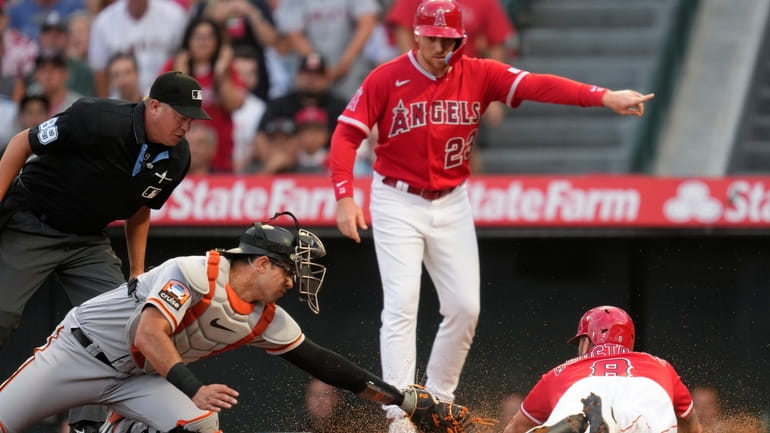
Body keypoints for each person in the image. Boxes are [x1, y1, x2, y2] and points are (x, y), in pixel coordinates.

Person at [328, 1, 655, 432]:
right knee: (402, 305)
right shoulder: (386, 77)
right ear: (416, 35)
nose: (441, 46)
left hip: (451, 200)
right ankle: (400, 410)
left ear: (460, 40)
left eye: (449, 39)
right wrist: (344, 195)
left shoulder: (479, 72)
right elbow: (346, 134)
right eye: (433, 37)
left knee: (465, 308)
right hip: (396, 199)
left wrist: (604, 96)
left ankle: (438, 401)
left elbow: (539, 85)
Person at [0, 213, 471, 433]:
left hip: (139, 378)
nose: (294, 282)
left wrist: (402, 398)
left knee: (204, 426)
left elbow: (325, 365)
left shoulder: (267, 317)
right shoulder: (192, 271)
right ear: (261, 263)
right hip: (81, 353)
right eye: (290, 270)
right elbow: (149, 333)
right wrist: (193, 387)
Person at [0, 71, 210, 432]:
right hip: (34, 220)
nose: (186, 127)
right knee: (2, 314)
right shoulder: (96, 118)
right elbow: (23, 142)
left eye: (192, 119)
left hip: (88, 240)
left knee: (117, 330)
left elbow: (140, 208)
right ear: (154, 106)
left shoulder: (177, 157)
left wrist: (138, 270)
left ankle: (87, 426)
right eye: (181, 116)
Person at [503, 306, 703, 433]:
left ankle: (589, 426)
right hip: (645, 394)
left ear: (587, 341)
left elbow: (514, 429)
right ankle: (604, 424)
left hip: (582, 395)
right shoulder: (660, 366)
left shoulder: (560, 372)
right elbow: (692, 427)